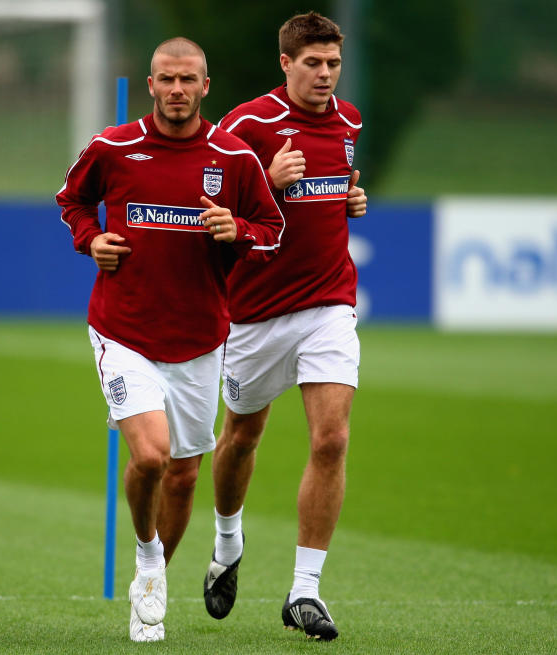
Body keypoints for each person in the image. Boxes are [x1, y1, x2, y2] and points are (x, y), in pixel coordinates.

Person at [57, 37, 284, 642]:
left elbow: (271, 230)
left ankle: (151, 588)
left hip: (202, 337)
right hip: (123, 328)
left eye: (188, 80)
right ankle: (148, 558)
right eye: (166, 79)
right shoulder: (112, 146)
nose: (177, 89)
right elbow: (71, 201)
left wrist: (236, 228)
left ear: (205, 86)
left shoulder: (234, 158)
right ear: (150, 84)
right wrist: (90, 240)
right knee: (151, 455)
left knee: (184, 474)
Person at [201, 12, 368, 641]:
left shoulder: (349, 121)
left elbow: (336, 188)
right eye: (313, 64)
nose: (325, 75)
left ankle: (305, 591)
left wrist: (351, 198)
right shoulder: (247, 125)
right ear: (286, 64)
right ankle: (226, 542)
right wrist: (263, 185)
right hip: (254, 314)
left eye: (332, 63)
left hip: (329, 303)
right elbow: (206, 205)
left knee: (331, 439)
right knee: (240, 437)